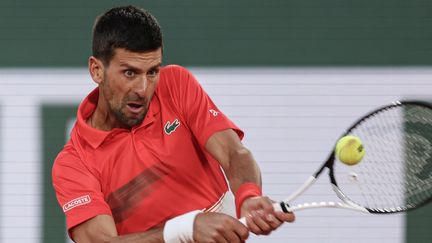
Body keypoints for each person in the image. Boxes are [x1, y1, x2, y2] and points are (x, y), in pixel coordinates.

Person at [52, 5, 295, 243]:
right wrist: (184, 230)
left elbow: (234, 153)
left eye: (152, 71)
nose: (143, 89)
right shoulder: (74, 164)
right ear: (97, 70)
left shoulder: (176, 85)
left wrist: (248, 196)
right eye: (130, 73)